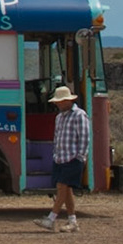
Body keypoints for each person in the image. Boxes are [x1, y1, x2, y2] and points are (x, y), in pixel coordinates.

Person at [37, 84, 91, 233]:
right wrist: (56, 154)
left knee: (62, 187)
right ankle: (72, 221)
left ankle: (51, 219)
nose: (57, 104)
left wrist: (80, 156)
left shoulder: (79, 115)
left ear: (68, 101)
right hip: (60, 158)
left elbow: (85, 138)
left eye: (60, 101)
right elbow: (57, 137)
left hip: (73, 158)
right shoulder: (59, 117)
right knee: (66, 190)